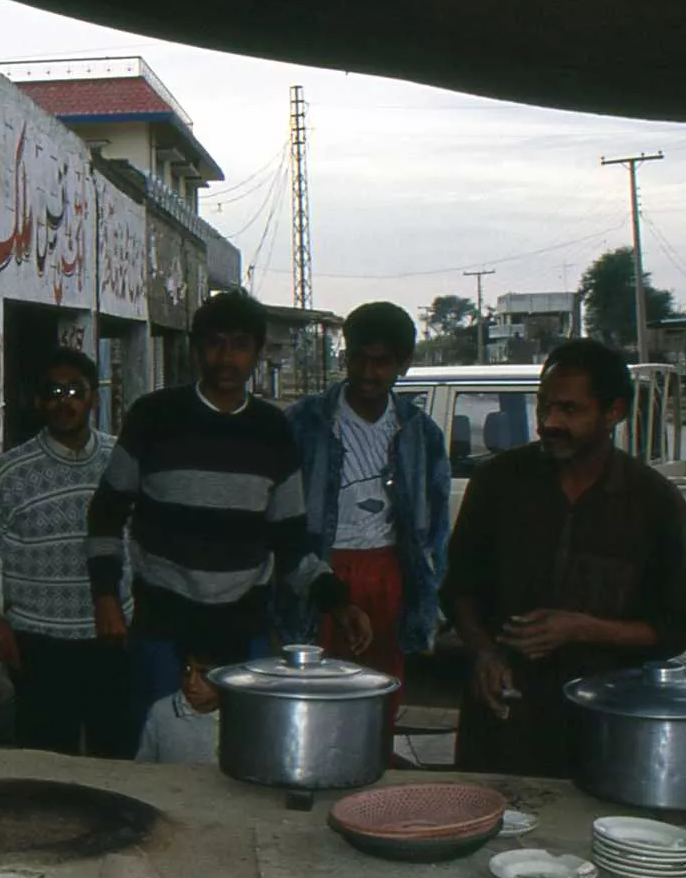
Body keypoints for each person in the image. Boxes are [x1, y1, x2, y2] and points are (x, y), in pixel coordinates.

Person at [87, 290, 372, 744]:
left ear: (257, 354)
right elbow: (105, 513)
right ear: (197, 349)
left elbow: (291, 544)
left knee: (241, 758)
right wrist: (104, 597)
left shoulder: (273, 431)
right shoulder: (153, 418)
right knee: (158, 757)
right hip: (163, 630)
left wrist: (339, 603)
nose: (226, 357)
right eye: (215, 343)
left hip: (244, 636)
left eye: (239, 345)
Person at [443, 338, 686, 777]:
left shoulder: (653, 502)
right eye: (544, 407)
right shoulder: (499, 483)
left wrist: (582, 627)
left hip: (605, 724)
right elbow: (457, 589)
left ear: (613, 412)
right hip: (504, 718)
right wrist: (484, 653)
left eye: (569, 410)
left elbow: (675, 627)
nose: (548, 422)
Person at [0, 347, 133, 758]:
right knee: (47, 773)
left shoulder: (123, 462)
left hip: (115, 643)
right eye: (53, 391)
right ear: (39, 401)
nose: (65, 401)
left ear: (93, 397)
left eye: (75, 390)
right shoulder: (9, 473)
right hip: (41, 650)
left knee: (117, 767)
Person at [281, 302, 450, 711]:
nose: (368, 373)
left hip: (388, 572)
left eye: (382, 362)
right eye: (359, 358)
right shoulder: (303, 423)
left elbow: (436, 523)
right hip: (319, 572)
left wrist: (429, 596)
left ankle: (378, 763)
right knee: (311, 692)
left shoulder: (419, 432)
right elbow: (281, 517)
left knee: (378, 691)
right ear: (346, 355)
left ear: (403, 365)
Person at [134, 637, 246, 764]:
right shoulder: (162, 712)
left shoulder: (245, 717)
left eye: (203, 674)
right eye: (187, 671)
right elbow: (144, 766)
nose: (192, 683)